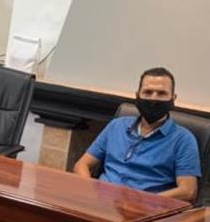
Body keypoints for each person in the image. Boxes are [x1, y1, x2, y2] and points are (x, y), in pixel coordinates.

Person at [72, 68, 200, 202]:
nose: (153, 98)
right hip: (101, 201)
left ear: (173, 98)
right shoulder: (116, 126)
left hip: (145, 208)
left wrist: (141, 202)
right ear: (137, 95)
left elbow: (188, 191)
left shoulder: (183, 139)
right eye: (148, 92)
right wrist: (91, 192)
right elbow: (82, 165)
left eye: (162, 93)